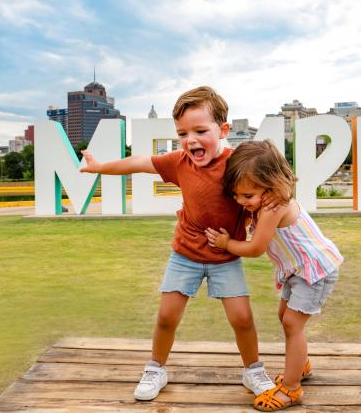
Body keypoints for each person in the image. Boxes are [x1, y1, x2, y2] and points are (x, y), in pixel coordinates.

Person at [80, 86, 275, 401]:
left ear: (223, 130)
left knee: (242, 318)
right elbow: (139, 163)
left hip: (226, 256)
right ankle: (156, 368)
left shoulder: (238, 163)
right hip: (184, 254)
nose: (191, 140)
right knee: (167, 317)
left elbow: (269, 182)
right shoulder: (179, 161)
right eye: (183, 133)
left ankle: (253, 370)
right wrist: (99, 167)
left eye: (200, 131)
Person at [205, 140, 343, 411]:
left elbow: (255, 248)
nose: (241, 202)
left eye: (247, 196)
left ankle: (291, 389)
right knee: (285, 317)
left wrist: (225, 244)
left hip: (313, 270)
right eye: (236, 195)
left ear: (271, 186)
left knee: (293, 324)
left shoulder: (272, 207)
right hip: (296, 270)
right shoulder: (266, 201)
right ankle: (299, 364)